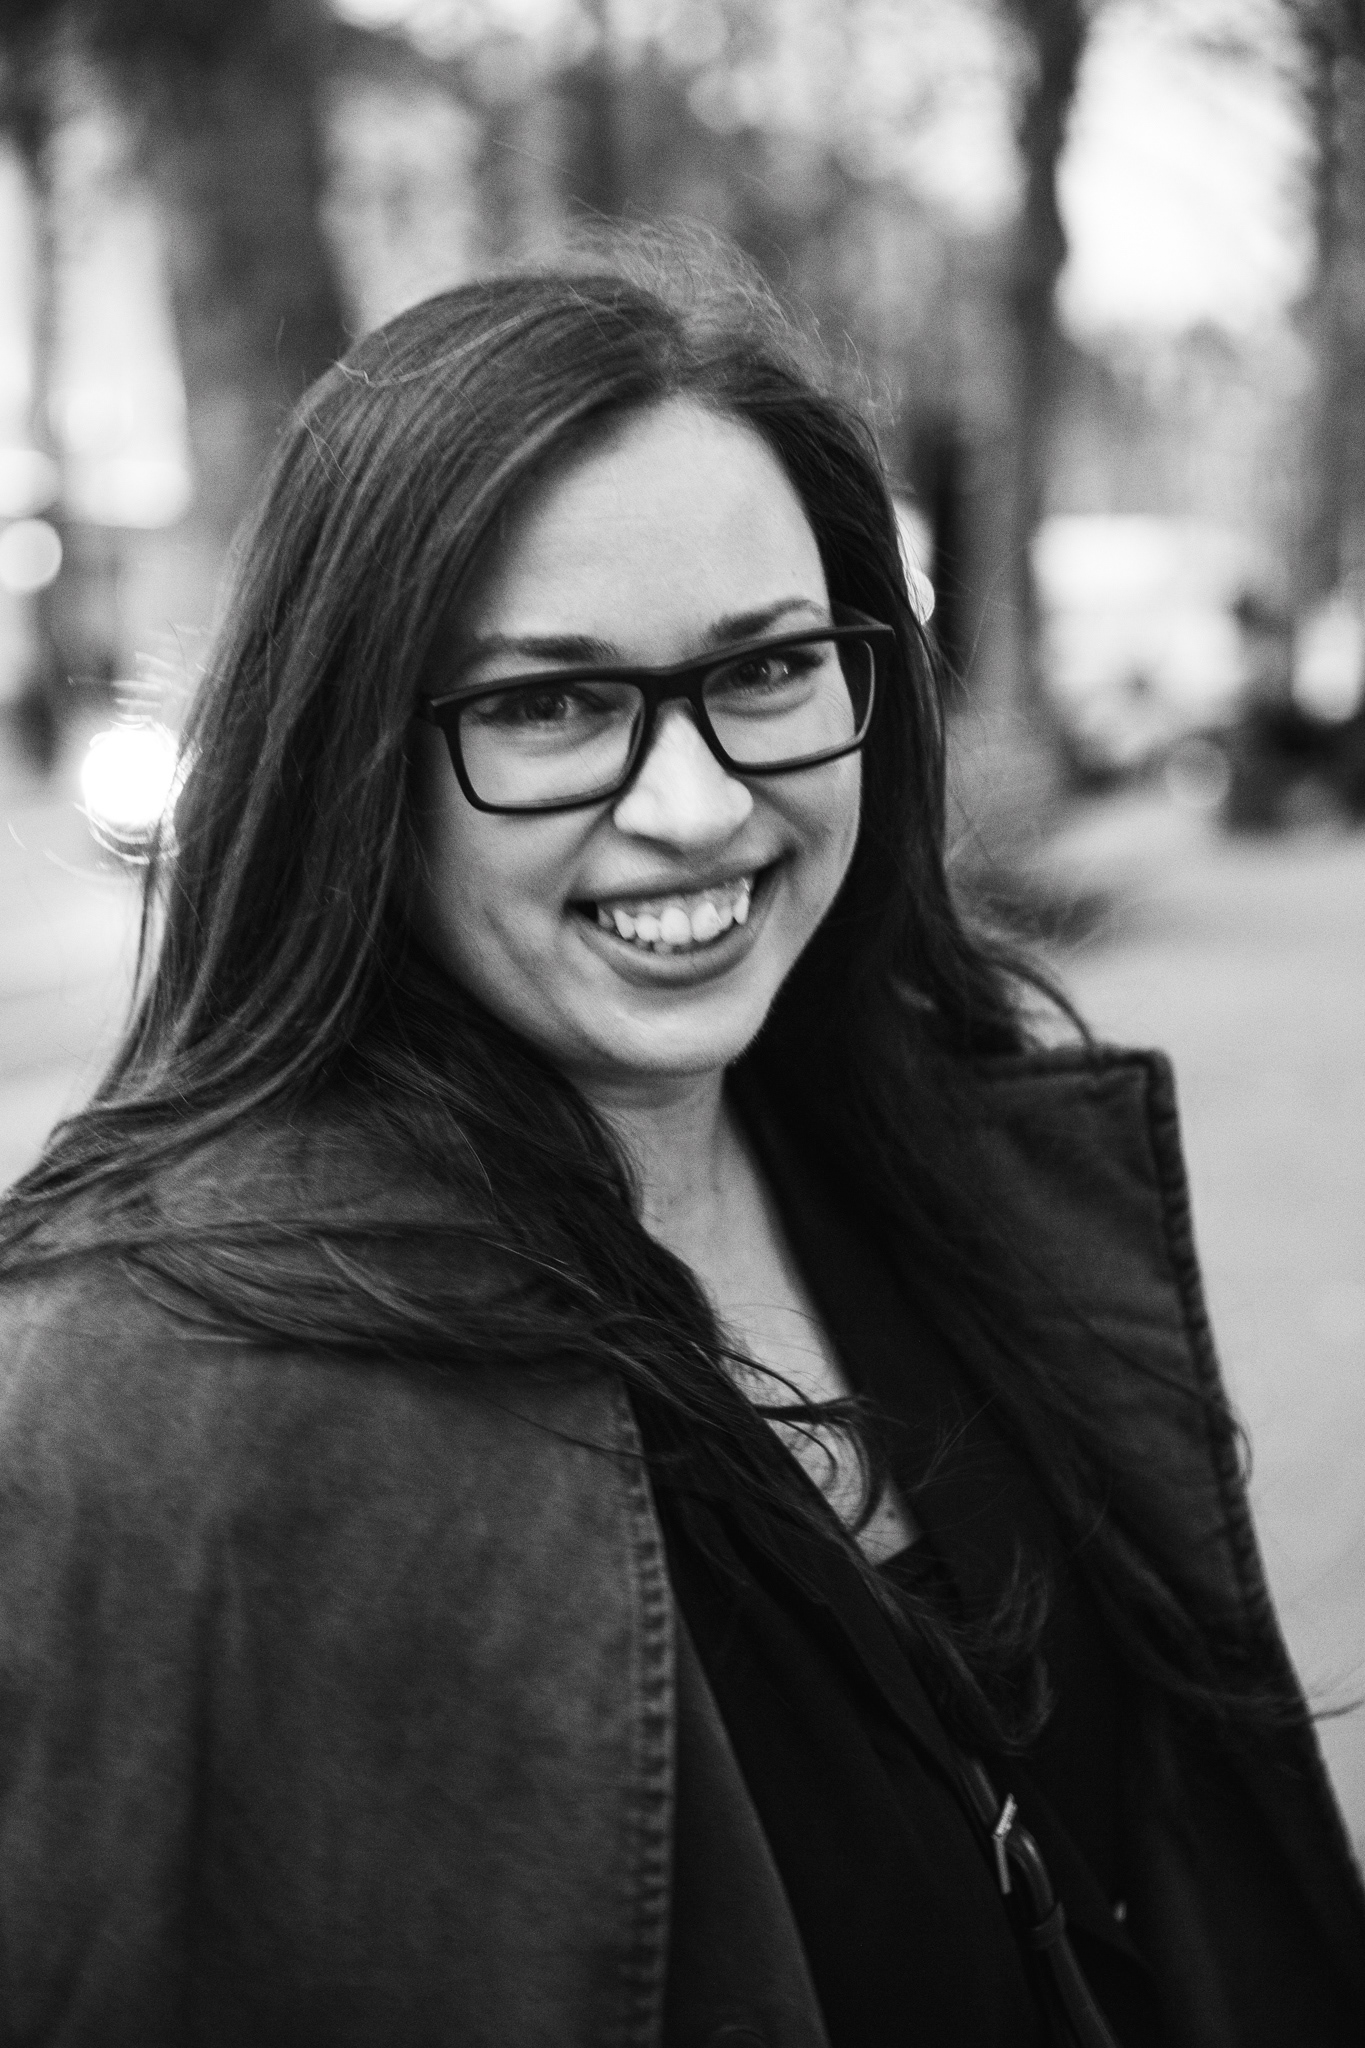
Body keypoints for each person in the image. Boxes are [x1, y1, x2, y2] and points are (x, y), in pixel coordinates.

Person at [0, 250, 1361, 2048]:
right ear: (347, 759)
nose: (698, 804)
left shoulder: (950, 1165)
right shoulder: (137, 1398)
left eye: (769, 666)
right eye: (547, 704)